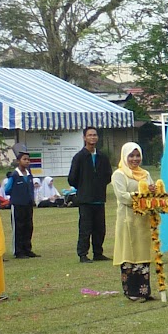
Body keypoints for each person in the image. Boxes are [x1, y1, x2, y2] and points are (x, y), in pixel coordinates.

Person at [109, 142, 158, 301]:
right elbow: (122, 196)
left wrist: (154, 193)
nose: (135, 159)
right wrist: (142, 194)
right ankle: (131, 292)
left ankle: (144, 291)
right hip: (128, 220)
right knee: (129, 254)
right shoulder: (119, 174)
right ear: (124, 156)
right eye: (131, 156)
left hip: (143, 220)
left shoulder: (145, 173)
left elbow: (152, 192)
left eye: (137, 155)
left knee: (143, 253)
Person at [66, 127, 113, 262]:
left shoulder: (102, 157)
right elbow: (72, 178)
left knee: (100, 228)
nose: (92, 137)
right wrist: (84, 187)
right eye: (90, 135)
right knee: (85, 228)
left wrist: (99, 185)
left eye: (95, 135)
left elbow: (108, 175)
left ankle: (98, 252)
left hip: (99, 198)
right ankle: (83, 254)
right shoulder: (79, 157)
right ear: (84, 138)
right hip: (85, 199)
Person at [0, 150, 39, 258]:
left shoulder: (29, 174)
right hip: (17, 205)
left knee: (28, 226)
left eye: (28, 160)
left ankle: (27, 249)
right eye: (24, 159)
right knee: (18, 227)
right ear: (18, 161)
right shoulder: (14, 175)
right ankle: (18, 251)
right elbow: (7, 190)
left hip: (28, 204)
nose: (27, 162)